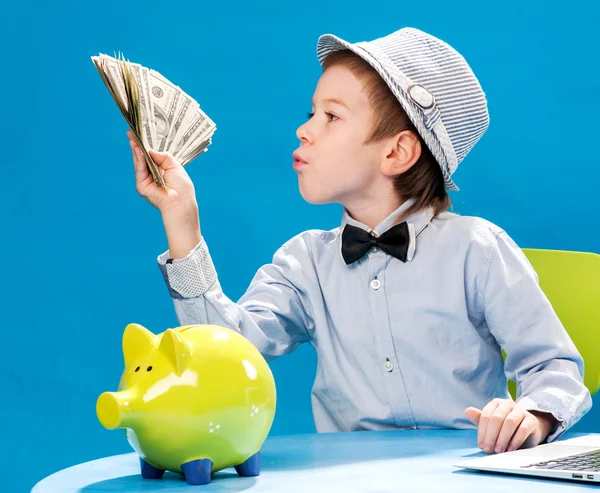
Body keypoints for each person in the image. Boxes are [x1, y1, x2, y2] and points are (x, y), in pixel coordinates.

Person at [127, 27, 592, 456]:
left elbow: (555, 368)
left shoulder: (478, 249)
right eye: (312, 112)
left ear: (396, 152)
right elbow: (225, 350)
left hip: (467, 474)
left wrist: (531, 415)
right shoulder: (303, 261)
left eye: (331, 116)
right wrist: (182, 224)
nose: (303, 129)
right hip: (348, 477)